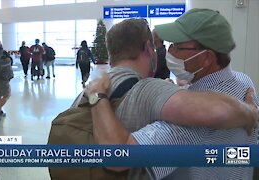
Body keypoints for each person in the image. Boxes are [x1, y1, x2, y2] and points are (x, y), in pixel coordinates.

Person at [85, 14, 259, 179]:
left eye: (177, 46)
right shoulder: (245, 83)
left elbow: (120, 156)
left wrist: (96, 96)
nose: (169, 51)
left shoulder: (189, 121)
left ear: (206, 58)